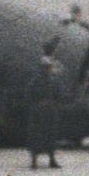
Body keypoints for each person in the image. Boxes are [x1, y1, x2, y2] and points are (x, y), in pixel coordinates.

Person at [27, 40, 62, 169]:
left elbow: (29, 93)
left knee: (38, 134)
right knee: (49, 134)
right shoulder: (51, 78)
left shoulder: (36, 78)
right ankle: (50, 159)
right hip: (48, 109)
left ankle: (35, 160)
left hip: (39, 109)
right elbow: (59, 93)